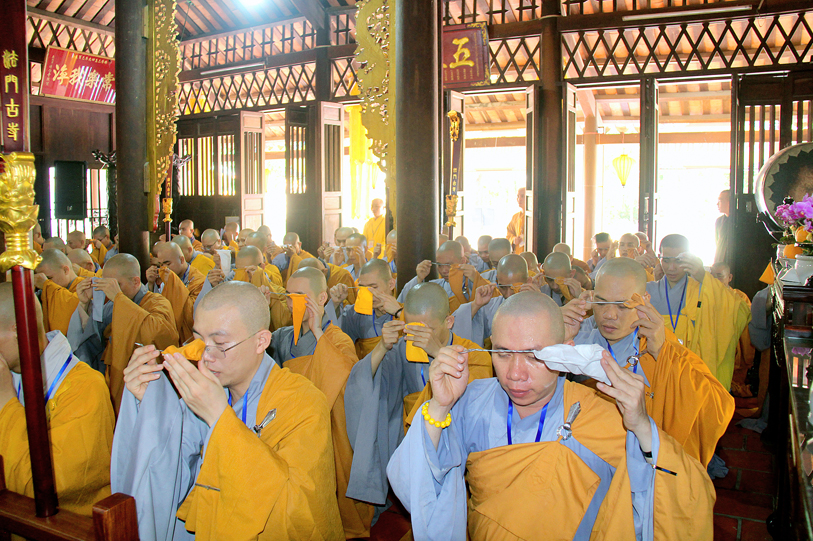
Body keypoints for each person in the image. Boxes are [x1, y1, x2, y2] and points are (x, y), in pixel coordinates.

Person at [387, 292, 715, 540]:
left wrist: (641, 427)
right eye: (503, 353)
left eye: (534, 356)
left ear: (565, 352)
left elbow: (689, 501)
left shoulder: (601, 416)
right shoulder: (471, 401)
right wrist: (440, 407)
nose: (515, 374)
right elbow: (415, 489)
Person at [113, 281, 344, 540]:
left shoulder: (304, 402)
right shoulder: (208, 389)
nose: (205, 356)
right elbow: (170, 466)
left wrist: (219, 418)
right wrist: (149, 400)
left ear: (261, 341)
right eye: (199, 340)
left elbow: (298, 513)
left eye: (220, 343)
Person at [564, 258, 734, 466]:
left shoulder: (660, 344)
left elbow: (717, 408)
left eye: (623, 305)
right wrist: (557, 336)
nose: (609, 315)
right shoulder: (576, 335)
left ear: (644, 300)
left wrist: (663, 353)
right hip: (587, 458)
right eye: (601, 302)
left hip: (644, 461)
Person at [344, 282, 492, 509]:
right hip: (412, 442)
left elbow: (477, 407)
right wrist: (382, 346)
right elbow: (363, 383)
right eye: (412, 328)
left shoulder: (474, 354)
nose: (418, 337)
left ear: (449, 322)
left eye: (427, 330)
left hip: (456, 448)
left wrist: (437, 352)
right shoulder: (405, 349)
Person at [267, 267, 373, 538]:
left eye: (300, 296)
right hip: (290, 426)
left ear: (322, 298)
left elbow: (348, 383)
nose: (292, 303)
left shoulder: (337, 339)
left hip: (328, 427)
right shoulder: (282, 336)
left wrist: (317, 332)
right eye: (289, 296)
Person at [0, 283, 114, 516]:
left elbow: (45, 486)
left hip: (63, 524)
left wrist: (5, 402)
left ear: (19, 330)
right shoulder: (9, 374)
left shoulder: (86, 388)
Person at [67, 253, 178, 410]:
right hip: (116, 378)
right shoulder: (112, 305)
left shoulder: (157, 302)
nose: (109, 292)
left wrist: (119, 298)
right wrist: (84, 304)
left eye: (116, 285)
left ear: (136, 282)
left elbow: (157, 334)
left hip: (147, 385)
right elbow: (93, 340)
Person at [645, 234, 750, 390]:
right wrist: (633, 267)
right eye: (666, 260)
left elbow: (740, 310)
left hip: (693, 372)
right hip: (657, 368)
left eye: (678, 261)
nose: (671, 268)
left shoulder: (703, 289)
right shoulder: (648, 289)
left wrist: (701, 275)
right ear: (659, 258)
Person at [451, 254, 538, 346]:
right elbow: (454, 329)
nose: (508, 294)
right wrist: (476, 305)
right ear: (497, 281)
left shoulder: (541, 304)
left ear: (528, 281)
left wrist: (539, 301)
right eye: (503, 287)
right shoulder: (491, 305)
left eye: (514, 288)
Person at [328, 259, 401, 358]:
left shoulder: (406, 312)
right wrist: (336, 304)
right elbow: (334, 337)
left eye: (373, 287)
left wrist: (399, 312)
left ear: (391, 284)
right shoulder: (356, 314)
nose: (368, 294)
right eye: (363, 289)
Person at [710, 262, 755, 398]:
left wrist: (747, 358)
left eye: (719, 276)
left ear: (729, 277)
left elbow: (746, 331)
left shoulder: (740, 298)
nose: (715, 280)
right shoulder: (704, 295)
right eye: (712, 276)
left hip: (731, 349)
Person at [148, 242, 205, 344]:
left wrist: (173, 285)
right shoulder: (164, 277)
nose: (164, 268)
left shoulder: (199, 281)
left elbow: (192, 316)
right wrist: (151, 284)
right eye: (161, 264)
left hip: (191, 341)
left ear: (182, 260)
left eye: (168, 264)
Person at [397, 240, 465, 309]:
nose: (444, 270)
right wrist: (419, 278)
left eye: (449, 265)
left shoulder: (470, 286)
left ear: (463, 261)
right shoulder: (435, 287)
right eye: (439, 265)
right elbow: (401, 303)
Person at [34, 249, 81, 335]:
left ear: (65, 270)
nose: (45, 283)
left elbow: (76, 305)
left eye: (49, 278)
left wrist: (47, 284)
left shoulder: (86, 286)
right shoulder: (50, 291)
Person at [506, 187, 525, 253]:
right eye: (518, 196)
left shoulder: (532, 218)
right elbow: (509, 234)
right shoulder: (515, 217)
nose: (519, 199)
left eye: (522, 196)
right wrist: (514, 239)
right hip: (518, 253)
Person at [715, 189, 732, 265]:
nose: (717, 204)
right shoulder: (719, 221)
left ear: (729, 202)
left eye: (720, 200)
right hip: (720, 260)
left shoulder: (739, 221)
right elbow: (717, 242)